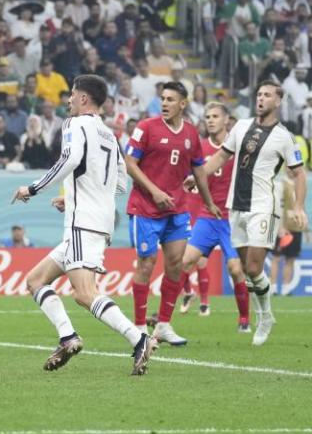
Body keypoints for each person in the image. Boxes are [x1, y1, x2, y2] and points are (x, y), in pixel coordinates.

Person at [12, 74, 156, 376]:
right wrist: (76, 196)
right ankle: (68, 337)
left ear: (83, 99)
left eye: (72, 95)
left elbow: (69, 159)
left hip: (82, 223)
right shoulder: (109, 135)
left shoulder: (74, 124)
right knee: (35, 281)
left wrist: (34, 188)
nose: (68, 101)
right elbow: (119, 184)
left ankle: (138, 337)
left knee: (84, 293)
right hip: (98, 220)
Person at [201, 81, 308, 345]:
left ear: (278, 101)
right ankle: (265, 313)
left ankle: (265, 315)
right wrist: (198, 176)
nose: (261, 98)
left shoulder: (285, 137)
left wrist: (297, 206)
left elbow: (299, 174)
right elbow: (220, 158)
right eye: (259, 94)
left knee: (252, 266)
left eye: (267, 95)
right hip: (235, 205)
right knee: (247, 270)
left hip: (263, 206)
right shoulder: (240, 126)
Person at [124, 81, 221, 346]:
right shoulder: (146, 128)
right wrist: (154, 191)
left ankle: (164, 325)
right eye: (162, 98)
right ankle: (140, 328)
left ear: (183, 103)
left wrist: (208, 202)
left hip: (177, 209)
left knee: (176, 264)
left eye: (170, 99)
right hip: (145, 207)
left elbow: (199, 169)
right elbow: (130, 164)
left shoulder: (191, 133)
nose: (164, 103)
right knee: (146, 263)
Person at [177, 103, 251, 332]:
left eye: (215, 116)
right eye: (207, 116)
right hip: (207, 217)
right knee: (183, 262)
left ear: (226, 119)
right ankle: (163, 317)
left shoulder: (239, 148)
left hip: (232, 218)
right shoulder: (199, 147)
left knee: (235, 269)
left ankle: (244, 319)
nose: (210, 120)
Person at [269, 175, 303, 296]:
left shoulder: (300, 184)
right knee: (276, 258)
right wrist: (279, 227)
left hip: (296, 227)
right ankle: (272, 288)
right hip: (283, 228)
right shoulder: (281, 184)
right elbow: (277, 206)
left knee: (290, 259)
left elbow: (301, 208)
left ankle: (286, 288)